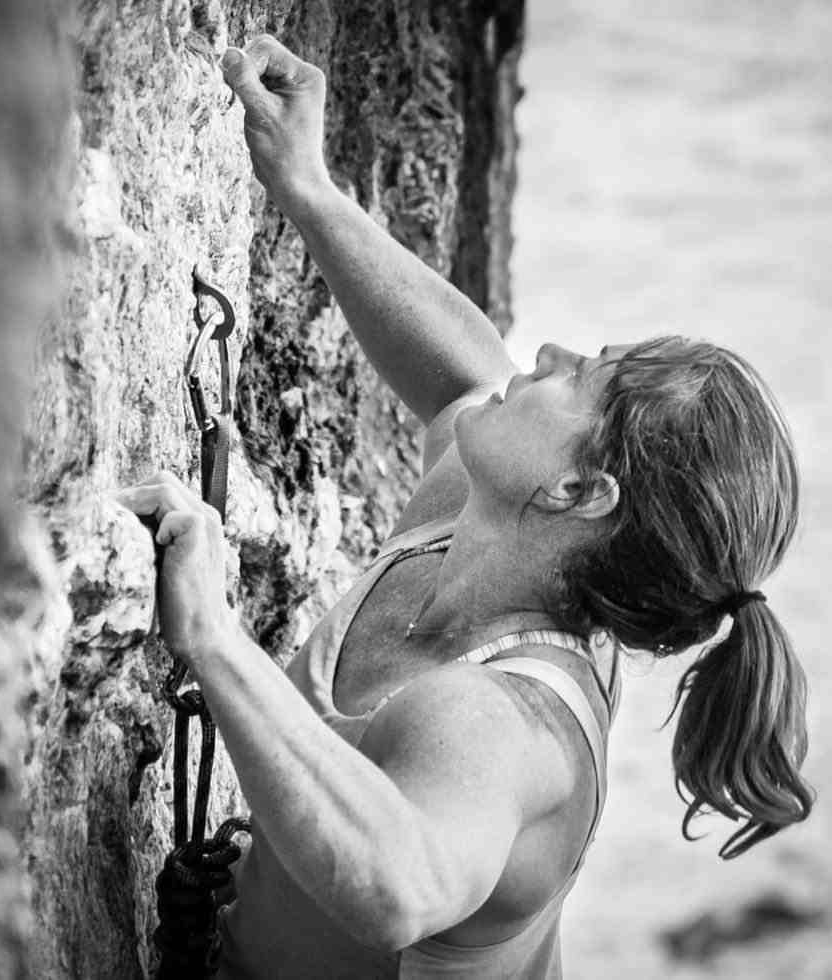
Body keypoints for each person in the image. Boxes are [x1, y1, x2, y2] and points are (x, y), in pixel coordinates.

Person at [117, 35, 814, 979]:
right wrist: (308, 188)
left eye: (587, 379)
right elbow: (465, 366)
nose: (558, 354)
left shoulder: (500, 726)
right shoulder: (492, 516)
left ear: (579, 491)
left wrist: (212, 634)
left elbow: (394, 885)